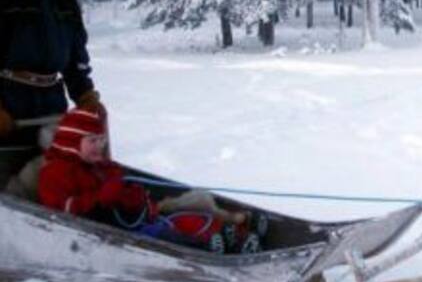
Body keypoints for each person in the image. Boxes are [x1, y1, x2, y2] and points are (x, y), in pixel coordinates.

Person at [39, 107, 258, 252]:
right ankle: (213, 249)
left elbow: (124, 192)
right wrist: (100, 197)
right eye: (92, 141)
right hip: (110, 236)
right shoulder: (55, 173)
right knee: (167, 234)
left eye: (102, 140)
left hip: (138, 218)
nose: (101, 146)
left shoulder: (102, 166)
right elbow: (60, 215)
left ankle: (233, 230)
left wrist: (130, 195)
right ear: (72, 141)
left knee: (192, 205)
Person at [0, 0, 102, 145]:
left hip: (51, 101)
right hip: (8, 101)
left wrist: (85, 95)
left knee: (57, 171)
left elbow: (76, 52)